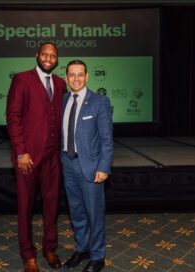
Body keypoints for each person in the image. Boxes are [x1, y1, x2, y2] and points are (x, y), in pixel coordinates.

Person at [6, 42, 67, 272]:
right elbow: (13, 117)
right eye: (45, 54)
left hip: (53, 157)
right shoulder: (22, 79)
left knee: (52, 205)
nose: (49, 58)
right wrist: (21, 151)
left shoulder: (61, 84)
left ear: (57, 59)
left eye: (53, 55)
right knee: (25, 206)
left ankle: (50, 248)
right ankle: (28, 255)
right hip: (28, 158)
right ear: (37, 55)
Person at [61, 60, 113, 272]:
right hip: (67, 163)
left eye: (80, 74)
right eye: (72, 75)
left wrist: (104, 167)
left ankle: (98, 256)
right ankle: (82, 248)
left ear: (87, 76)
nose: (76, 78)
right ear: (66, 77)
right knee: (77, 212)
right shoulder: (63, 100)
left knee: (95, 213)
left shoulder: (100, 101)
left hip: (91, 167)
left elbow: (106, 139)